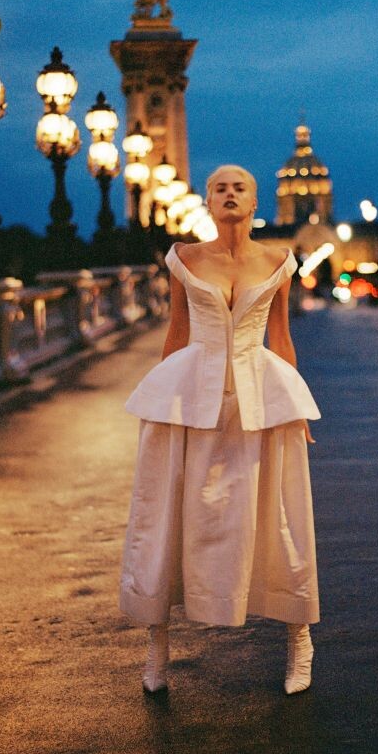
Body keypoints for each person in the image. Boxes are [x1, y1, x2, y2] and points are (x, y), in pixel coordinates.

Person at [119, 164, 322, 695]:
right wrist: (160, 400)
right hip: (193, 394)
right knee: (170, 516)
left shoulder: (279, 260)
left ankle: (299, 639)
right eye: (219, 188)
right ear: (208, 202)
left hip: (259, 397)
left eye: (240, 188)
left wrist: (296, 407)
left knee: (279, 516)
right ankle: (157, 646)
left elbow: (280, 337)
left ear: (255, 203)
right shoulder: (183, 258)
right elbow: (177, 333)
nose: (229, 194)